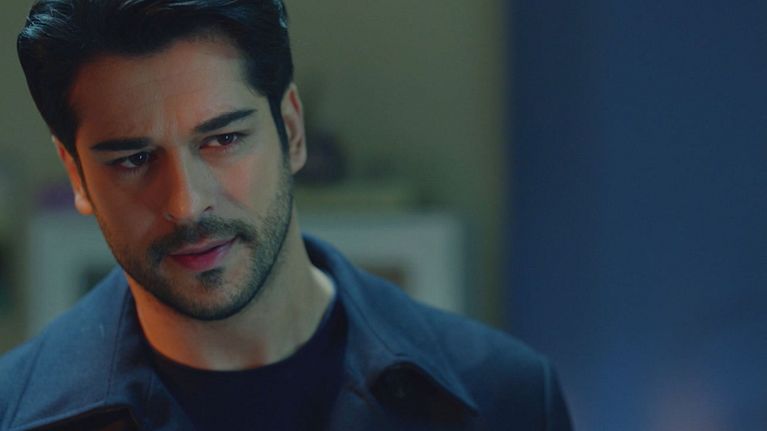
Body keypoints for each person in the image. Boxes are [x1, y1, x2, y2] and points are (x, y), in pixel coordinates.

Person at [0, 1, 573, 430]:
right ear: (77, 175)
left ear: (291, 130)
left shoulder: (505, 397)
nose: (186, 204)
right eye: (133, 159)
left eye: (223, 139)